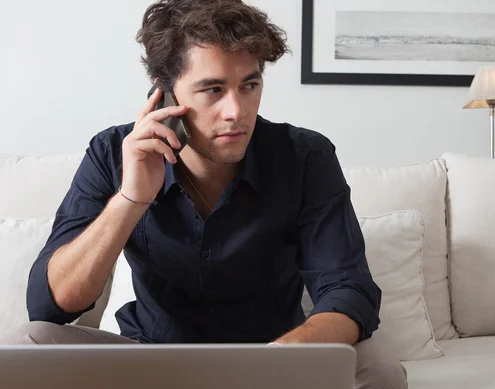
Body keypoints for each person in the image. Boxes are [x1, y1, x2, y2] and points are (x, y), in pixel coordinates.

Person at [2, 1, 407, 388]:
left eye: (249, 85)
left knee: (380, 371)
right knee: (28, 341)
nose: (236, 110)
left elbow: (348, 290)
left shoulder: (305, 157)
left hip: (277, 358)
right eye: (213, 90)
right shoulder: (112, 152)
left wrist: (287, 355)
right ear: (165, 96)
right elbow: (49, 306)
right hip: (148, 359)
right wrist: (131, 198)